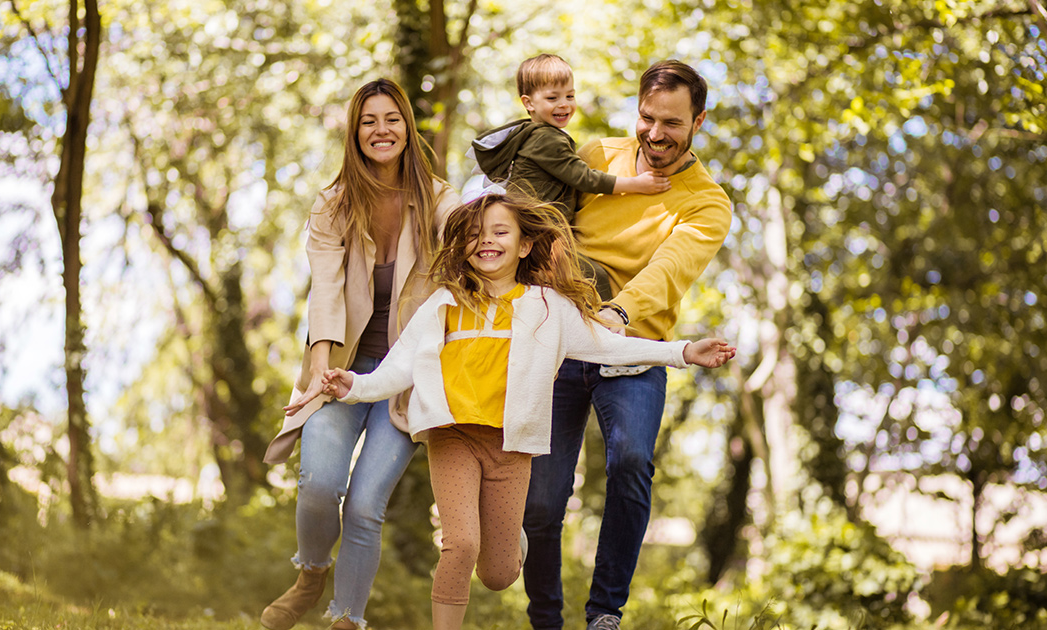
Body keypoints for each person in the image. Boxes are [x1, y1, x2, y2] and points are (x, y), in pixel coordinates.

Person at [285, 193, 735, 630]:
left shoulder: (547, 308)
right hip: (453, 437)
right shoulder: (443, 304)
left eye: (501, 231)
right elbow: (397, 368)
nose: (488, 240)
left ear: (524, 245)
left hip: (510, 447)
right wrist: (354, 386)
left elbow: (610, 347)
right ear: (463, 245)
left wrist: (684, 351)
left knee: (498, 575)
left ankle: (508, 539)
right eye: (476, 233)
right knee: (460, 544)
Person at [520, 60, 734, 630]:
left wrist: (618, 311)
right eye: (646, 118)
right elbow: (548, 223)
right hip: (560, 340)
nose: (656, 134)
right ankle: (545, 619)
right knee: (541, 499)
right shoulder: (594, 157)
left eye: (673, 123)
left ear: (699, 121)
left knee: (633, 460)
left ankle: (604, 613)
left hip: (635, 346)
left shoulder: (707, 202)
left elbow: (670, 266)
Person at [259, 78, 460, 630]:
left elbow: (468, 241)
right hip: (342, 367)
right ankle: (310, 574)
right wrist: (319, 367)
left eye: (391, 118)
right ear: (355, 132)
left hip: (404, 379)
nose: (381, 130)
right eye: (369, 121)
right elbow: (325, 289)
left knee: (367, 506)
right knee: (320, 483)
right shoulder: (334, 204)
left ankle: (346, 620)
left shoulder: (439, 200)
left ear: (407, 127)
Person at [469, 53, 671, 300]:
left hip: (535, 230)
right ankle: (606, 327)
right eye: (552, 98)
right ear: (529, 102)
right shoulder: (546, 138)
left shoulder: (538, 134)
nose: (564, 104)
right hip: (536, 232)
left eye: (570, 96)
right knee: (592, 276)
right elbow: (584, 178)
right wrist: (637, 184)